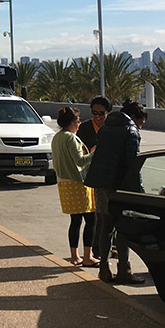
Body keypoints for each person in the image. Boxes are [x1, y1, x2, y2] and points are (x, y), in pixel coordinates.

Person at [84, 100, 148, 285]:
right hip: (119, 186)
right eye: (141, 123)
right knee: (123, 228)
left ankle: (104, 269)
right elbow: (132, 165)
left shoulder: (106, 127)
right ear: (135, 118)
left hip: (100, 184)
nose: (140, 127)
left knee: (105, 225)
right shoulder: (131, 131)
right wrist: (140, 193)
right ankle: (124, 270)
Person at [51, 107, 97, 267]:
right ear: (72, 122)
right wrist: (93, 153)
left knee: (75, 221)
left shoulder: (57, 137)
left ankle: (74, 255)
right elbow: (80, 161)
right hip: (77, 183)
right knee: (91, 220)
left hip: (64, 183)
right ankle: (87, 256)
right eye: (78, 120)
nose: (79, 123)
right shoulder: (71, 138)